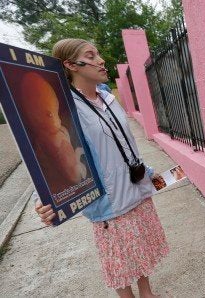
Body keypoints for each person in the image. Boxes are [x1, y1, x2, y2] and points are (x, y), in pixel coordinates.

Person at [35, 38, 168, 298]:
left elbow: (127, 144)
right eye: (91, 55)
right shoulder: (66, 110)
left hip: (136, 188)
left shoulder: (108, 98)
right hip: (109, 202)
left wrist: (148, 173)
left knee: (142, 249)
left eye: (98, 54)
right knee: (118, 261)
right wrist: (46, 198)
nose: (101, 60)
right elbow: (52, 156)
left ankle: (147, 294)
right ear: (72, 65)